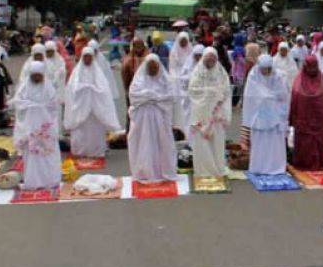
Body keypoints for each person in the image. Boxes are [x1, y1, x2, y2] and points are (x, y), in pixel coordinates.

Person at [9, 61, 61, 190]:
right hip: (30, 128)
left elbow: (53, 106)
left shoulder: (49, 88)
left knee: (47, 154)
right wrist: (32, 106)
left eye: (39, 75)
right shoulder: (24, 88)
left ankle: (50, 180)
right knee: (32, 155)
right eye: (34, 75)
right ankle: (33, 181)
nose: (37, 78)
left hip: (45, 128)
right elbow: (18, 103)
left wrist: (39, 108)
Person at [127, 54, 178, 182]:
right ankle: (145, 171)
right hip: (142, 120)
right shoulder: (139, 80)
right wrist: (148, 95)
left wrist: (155, 97)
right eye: (150, 66)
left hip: (160, 118)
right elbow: (133, 96)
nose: (152, 69)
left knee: (162, 143)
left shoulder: (165, 80)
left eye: (154, 67)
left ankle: (162, 171)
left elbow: (170, 97)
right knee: (144, 144)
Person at [64, 48, 121, 157]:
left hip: (95, 107)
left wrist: (92, 90)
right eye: (85, 56)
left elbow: (104, 90)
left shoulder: (97, 72)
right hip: (81, 107)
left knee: (95, 130)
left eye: (89, 57)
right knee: (81, 130)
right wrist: (84, 89)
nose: (87, 59)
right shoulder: (77, 73)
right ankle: (80, 150)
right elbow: (72, 90)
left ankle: (96, 150)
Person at [187, 47, 232, 177]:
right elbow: (193, 91)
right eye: (208, 57)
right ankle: (203, 171)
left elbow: (226, 91)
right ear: (203, 58)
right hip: (201, 116)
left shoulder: (221, 72)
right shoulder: (197, 72)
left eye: (213, 57)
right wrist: (209, 93)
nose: (210, 60)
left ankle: (217, 169)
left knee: (217, 143)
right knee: (202, 144)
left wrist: (216, 96)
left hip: (216, 115)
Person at [242, 55, 290, 175]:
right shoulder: (253, 76)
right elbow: (250, 96)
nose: (266, 71)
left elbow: (283, 95)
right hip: (259, 117)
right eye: (264, 69)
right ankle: (259, 167)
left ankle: (276, 167)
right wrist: (264, 98)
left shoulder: (278, 76)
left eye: (268, 69)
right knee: (260, 144)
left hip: (275, 116)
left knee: (274, 144)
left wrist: (271, 98)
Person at [289, 56, 323, 170]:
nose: (312, 70)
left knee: (319, 139)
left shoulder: (321, 80)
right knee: (306, 140)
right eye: (311, 66)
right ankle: (305, 161)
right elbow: (294, 99)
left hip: (319, 119)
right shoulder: (299, 80)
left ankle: (319, 161)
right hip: (304, 118)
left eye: (314, 66)